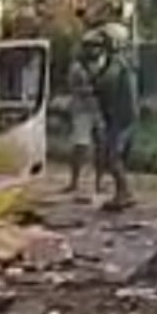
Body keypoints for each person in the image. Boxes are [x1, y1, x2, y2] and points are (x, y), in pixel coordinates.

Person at [92, 23, 138, 212]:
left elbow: (105, 83)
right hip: (120, 115)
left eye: (105, 41)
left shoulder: (117, 63)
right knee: (113, 157)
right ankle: (123, 192)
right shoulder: (121, 61)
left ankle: (125, 193)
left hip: (121, 116)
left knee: (113, 157)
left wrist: (95, 77)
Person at [65, 30, 105, 198]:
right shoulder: (77, 67)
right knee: (80, 146)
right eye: (90, 46)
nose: (94, 49)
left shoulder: (104, 63)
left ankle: (99, 182)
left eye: (97, 46)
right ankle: (74, 181)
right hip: (82, 109)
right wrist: (91, 90)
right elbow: (73, 87)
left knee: (101, 146)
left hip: (100, 109)